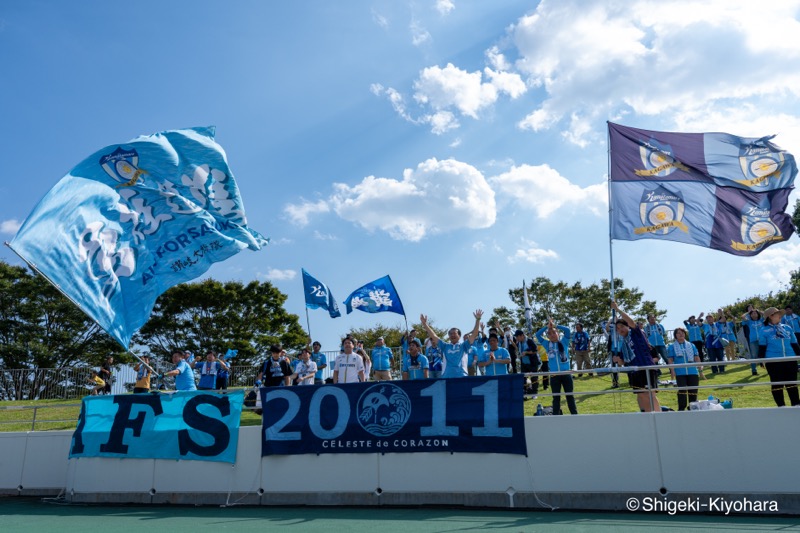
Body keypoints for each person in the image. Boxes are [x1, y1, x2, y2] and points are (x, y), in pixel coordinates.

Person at [610, 301, 661, 412]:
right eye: (617, 329)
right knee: (640, 395)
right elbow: (623, 362)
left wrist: (617, 309)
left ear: (627, 326)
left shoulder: (636, 333)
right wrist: (618, 360)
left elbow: (631, 321)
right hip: (633, 371)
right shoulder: (623, 344)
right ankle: (645, 415)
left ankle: (658, 415)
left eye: (622, 326)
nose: (620, 330)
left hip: (646, 367)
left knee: (649, 394)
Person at [420, 310, 483, 379]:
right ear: (449, 336)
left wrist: (477, 320)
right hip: (447, 377)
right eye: (450, 334)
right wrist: (425, 325)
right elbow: (434, 336)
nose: (452, 335)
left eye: (454, 333)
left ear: (459, 336)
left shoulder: (464, 346)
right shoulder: (445, 346)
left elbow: (474, 334)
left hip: (461, 376)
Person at [758, 307, 800, 407]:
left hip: (790, 359)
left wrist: (798, 356)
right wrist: (761, 360)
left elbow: (794, 344)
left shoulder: (787, 328)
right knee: (777, 384)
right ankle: (781, 406)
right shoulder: (763, 330)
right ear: (770, 317)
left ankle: (796, 405)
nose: (780, 316)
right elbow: (762, 347)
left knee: (792, 383)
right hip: (774, 361)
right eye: (777, 314)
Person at [536, 319, 577, 415]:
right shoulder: (547, 344)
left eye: (554, 332)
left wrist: (556, 325)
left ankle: (575, 415)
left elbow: (567, 330)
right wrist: (547, 327)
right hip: (554, 375)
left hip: (566, 373)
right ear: (548, 337)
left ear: (558, 333)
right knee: (556, 397)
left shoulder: (564, 342)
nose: (552, 335)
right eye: (549, 334)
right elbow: (538, 335)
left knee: (569, 396)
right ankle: (555, 416)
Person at [667, 328, 701, 411]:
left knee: (693, 391)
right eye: (678, 333)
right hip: (680, 372)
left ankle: (692, 408)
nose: (680, 334)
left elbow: (696, 357)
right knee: (682, 391)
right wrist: (672, 370)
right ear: (675, 336)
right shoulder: (671, 346)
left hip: (692, 371)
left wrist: (700, 369)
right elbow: (670, 359)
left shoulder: (691, 345)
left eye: (682, 332)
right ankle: (681, 409)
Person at [741, 308, 763, 375]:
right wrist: (749, 312)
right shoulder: (749, 322)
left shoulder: (761, 320)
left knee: (764, 354)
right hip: (753, 340)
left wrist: (759, 310)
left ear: (757, 314)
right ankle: (754, 370)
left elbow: (766, 315)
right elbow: (742, 317)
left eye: (755, 313)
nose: (754, 314)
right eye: (752, 313)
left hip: (762, 340)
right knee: (753, 355)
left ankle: (768, 369)